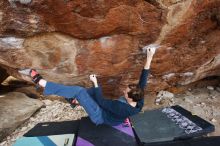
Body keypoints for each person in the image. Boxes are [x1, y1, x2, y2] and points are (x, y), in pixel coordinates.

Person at [19, 45, 156, 126]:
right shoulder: (139, 98)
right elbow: (143, 80)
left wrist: (96, 82)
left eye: (126, 92)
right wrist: (149, 57)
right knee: (89, 92)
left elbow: (102, 102)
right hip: (112, 113)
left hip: (100, 116)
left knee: (80, 91)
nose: (123, 90)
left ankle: (42, 83)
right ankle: (74, 101)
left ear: (130, 98)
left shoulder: (120, 107)